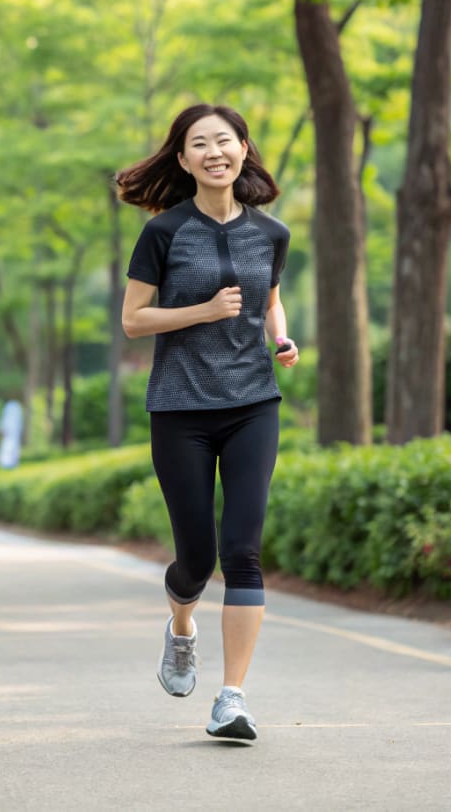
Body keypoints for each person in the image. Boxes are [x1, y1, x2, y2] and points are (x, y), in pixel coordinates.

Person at [116, 103, 299, 742]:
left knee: (242, 550)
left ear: (244, 150)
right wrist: (199, 311)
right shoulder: (163, 232)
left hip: (254, 404)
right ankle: (182, 629)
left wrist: (282, 336)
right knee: (195, 559)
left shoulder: (271, 234)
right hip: (180, 410)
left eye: (225, 140)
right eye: (200, 143)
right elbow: (134, 320)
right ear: (184, 158)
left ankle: (232, 697)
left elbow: (271, 300)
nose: (214, 151)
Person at [0, 397, 23, 470]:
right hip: (10, 430)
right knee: (8, 446)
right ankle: (6, 463)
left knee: (11, 446)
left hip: (13, 431)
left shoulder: (14, 406)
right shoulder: (14, 406)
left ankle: (10, 463)